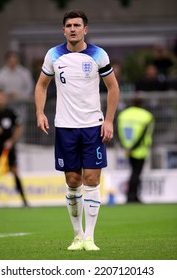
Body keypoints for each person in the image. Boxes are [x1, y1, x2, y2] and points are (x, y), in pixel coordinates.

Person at [34, 9, 119, 251]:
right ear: (63, 30)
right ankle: (77, 235)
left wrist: (109, 120)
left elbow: (113, 88)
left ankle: (90, 238)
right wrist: (40, 113)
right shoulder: (53, 55)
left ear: (85, 29)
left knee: (92, 179)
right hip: (65, 127)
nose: (73, 28)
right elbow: (41, 86)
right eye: (69, 25)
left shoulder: (98, 54)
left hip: (93, 126)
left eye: (77, 25)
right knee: (73, 181)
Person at [117, 96, 154, 203]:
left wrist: (125, 146)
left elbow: (117, 131)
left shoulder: (123, 114)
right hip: (139, 150)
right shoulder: (147, 116)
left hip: (126, 148)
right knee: (136, 173)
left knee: (134, 172)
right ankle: (132, 196)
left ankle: (132, 196)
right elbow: (144, 135)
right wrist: (133, 148)